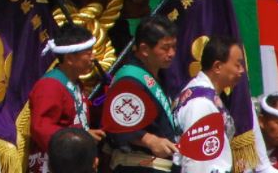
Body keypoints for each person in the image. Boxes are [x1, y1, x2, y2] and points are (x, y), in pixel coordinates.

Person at [27, 24, 106, 173]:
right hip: (54, 163)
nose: (93, 58)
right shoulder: (50, 85)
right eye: (88, 54)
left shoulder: (74, 82)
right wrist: (80, 138)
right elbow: (41, 127)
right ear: (69, 58)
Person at [107, 15, 180, 173]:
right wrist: (149, 140)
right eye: (165, 48)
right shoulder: (129, 81)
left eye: (174, 47)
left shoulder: (161, 75)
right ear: (145, 49)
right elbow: (119, 126)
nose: (172, 53)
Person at [172, 34, 245, 173]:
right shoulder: (201, 103)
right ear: (217, 66)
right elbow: (195, 161)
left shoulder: (202, 95)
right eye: (237, 64)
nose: (241, 70)